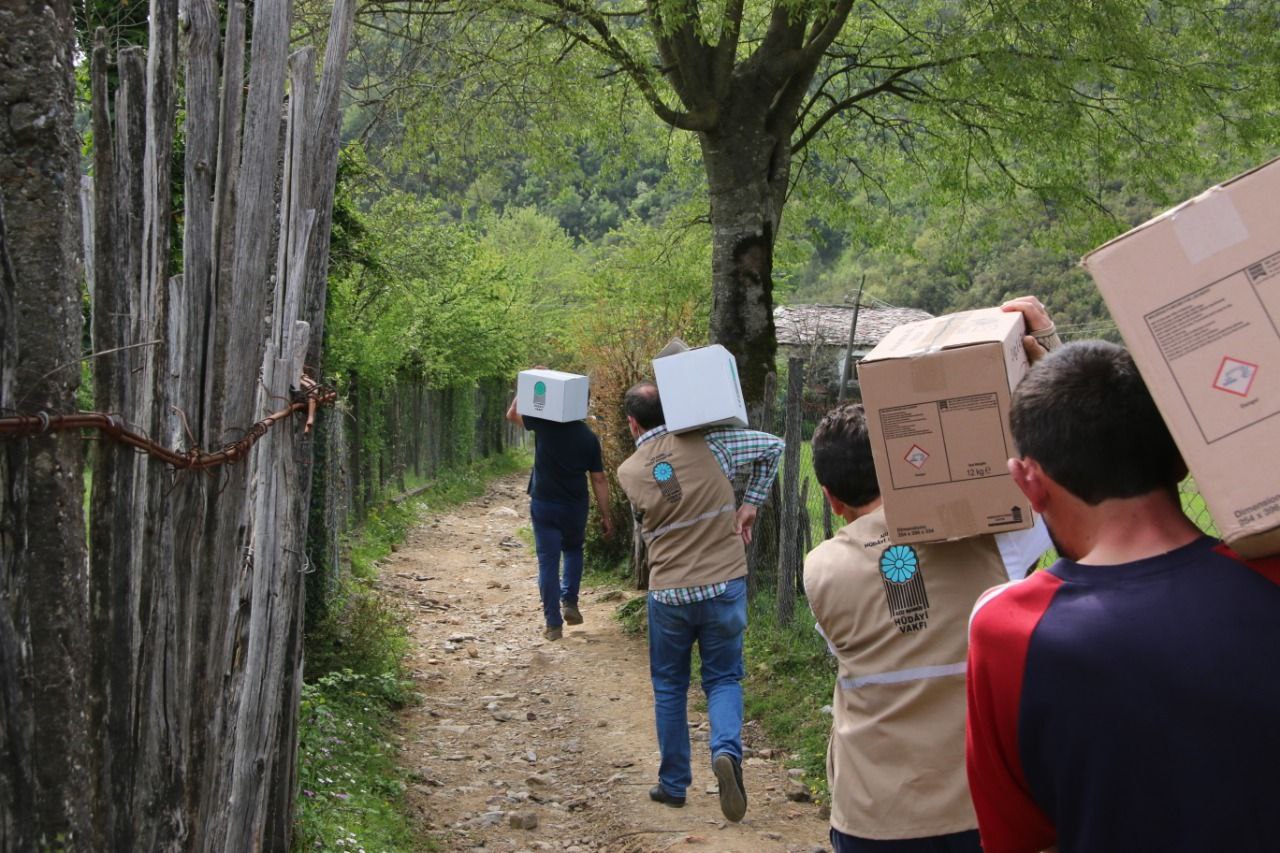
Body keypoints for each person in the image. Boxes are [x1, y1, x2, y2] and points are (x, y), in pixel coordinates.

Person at [965, 340, 1280, 853]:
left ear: (1028, 482)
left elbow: (1017, 838)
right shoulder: (1269, 578)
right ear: (1181, 458)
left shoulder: (1008, 629)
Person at [802, 296, 1056, 853]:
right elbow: (1070, 487)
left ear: (831, 499)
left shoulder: (818, 570)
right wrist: (1046, 363)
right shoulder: (992, 539)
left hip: (872, 813)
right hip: (982, 807)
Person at [616, 380, 783, 823]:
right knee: (723, 678)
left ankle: (673, 785)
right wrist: (750, 504)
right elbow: (774, 446)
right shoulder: (714, 442)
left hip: (670, 593)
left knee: (670, 686)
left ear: (632, 424)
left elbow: (652, 511)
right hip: (723, 583)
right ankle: (725, 751)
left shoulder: (628, 472)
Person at [506, 384, 613, 641]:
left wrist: (530, 384)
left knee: (548, 562)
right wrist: (606, 515)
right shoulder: (589, 438)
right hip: (575, 505)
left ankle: (553, 624)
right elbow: (598, 479)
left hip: (544, 503)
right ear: (584, 404)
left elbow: (512, 413)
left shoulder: (545, 424)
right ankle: (570, 601)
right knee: (573, 550)